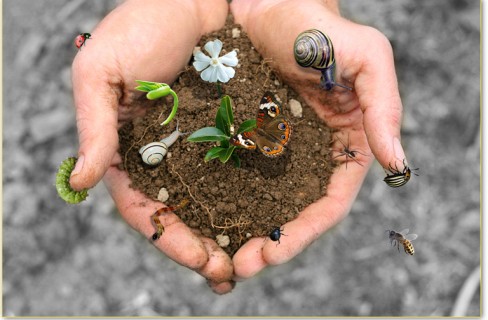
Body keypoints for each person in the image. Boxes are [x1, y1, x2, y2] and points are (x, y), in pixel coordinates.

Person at [70, 0, 406, 295]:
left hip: (250, 132)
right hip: (245, 132)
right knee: (259, 124)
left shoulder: (248, 131)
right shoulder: (245, 128)